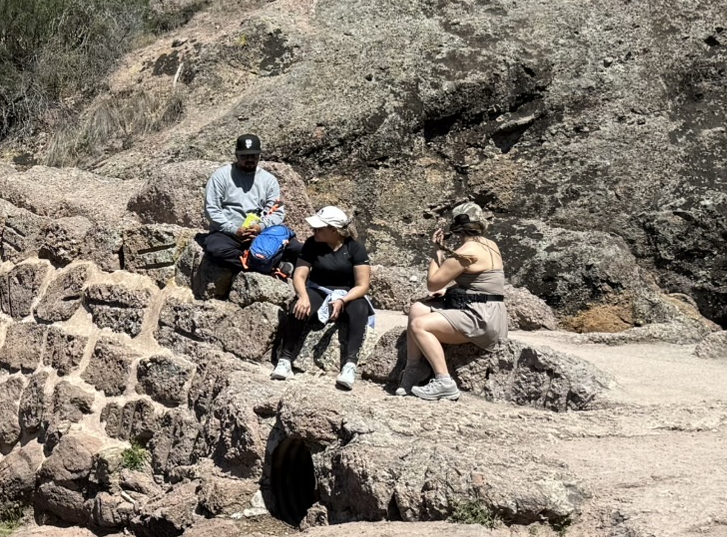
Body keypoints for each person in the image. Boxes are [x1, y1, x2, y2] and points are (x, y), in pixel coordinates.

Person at [396, 202, 511, 402]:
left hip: (481, 318)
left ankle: (444, 382)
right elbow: (480, 283)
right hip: (491, 310)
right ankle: (414, 369)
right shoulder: (490, 244)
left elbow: (432, 283)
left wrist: (436, 252)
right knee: (418, 309)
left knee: (419, 325)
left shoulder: (465, 253)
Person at [272, 206, 374, 390]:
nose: (314, 231)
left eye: (319, 228)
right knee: (299, 308)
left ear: (334, 230)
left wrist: (343, 300)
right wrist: (302, 296)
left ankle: (350, 364)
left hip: (348, 293)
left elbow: (362, 285)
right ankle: (285, 359)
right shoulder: (312, 244)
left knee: (359, 309)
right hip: (318, 289)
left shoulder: (355, 248)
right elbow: (300, 274)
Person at [195, 133, 285, 290]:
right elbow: (212, 210)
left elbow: (276, 211)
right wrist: (234, 230)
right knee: (216, 250)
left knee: (295, 247)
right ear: (236, 155)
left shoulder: (269, 180)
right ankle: (263, 265)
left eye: (253, 156)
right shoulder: (221, 177)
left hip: (259, 232)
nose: (249, 159)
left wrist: (260, 227)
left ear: (259, 155)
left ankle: (257, 260)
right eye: (244, 156)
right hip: (229, 233)